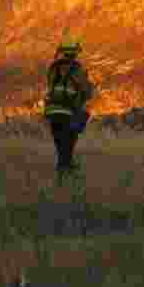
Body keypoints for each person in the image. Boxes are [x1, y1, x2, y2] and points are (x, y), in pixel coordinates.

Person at [43, 36, 96, 180]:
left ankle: (63, 176)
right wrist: (88, 85)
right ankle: (67, 178)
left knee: (61, 148)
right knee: (68, 146)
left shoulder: (53, 68)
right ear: (75, 53)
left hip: (53, 112)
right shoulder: (77, 69)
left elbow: (51, 86)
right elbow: (87, 92)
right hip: (69, 112)